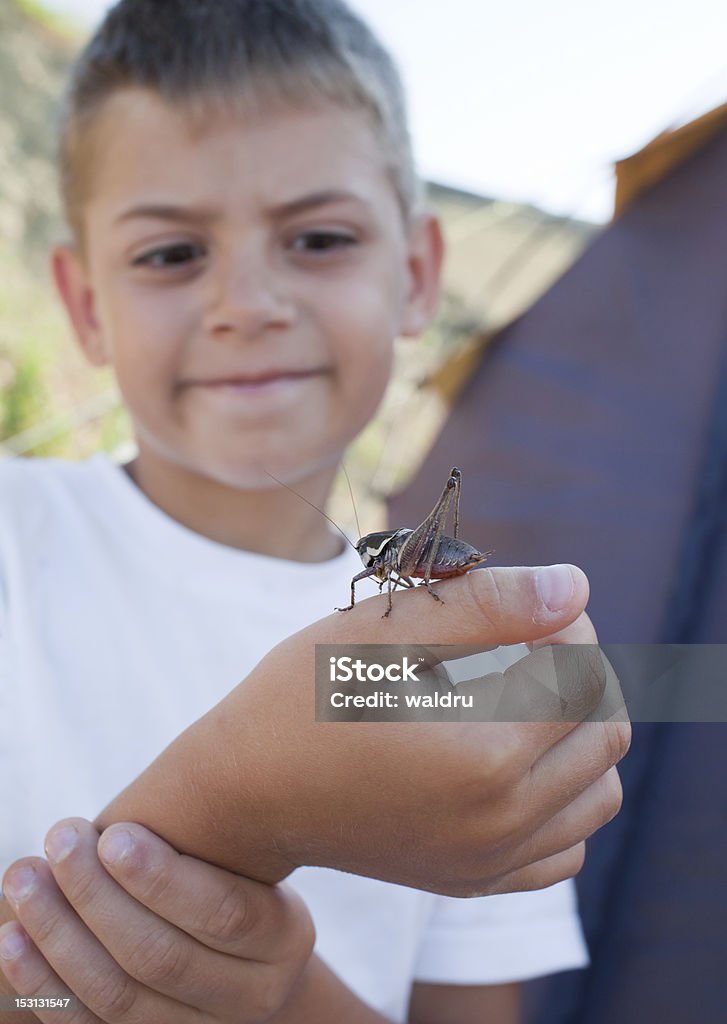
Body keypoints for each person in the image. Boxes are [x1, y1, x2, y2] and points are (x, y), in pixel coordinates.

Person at [0, 1, 629, 1021]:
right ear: (82, 308)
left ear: (417, 276)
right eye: (172, 253)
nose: (247, 302)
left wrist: (283, 990)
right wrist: (240, 810)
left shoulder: (466, 673)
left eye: (318, 238)